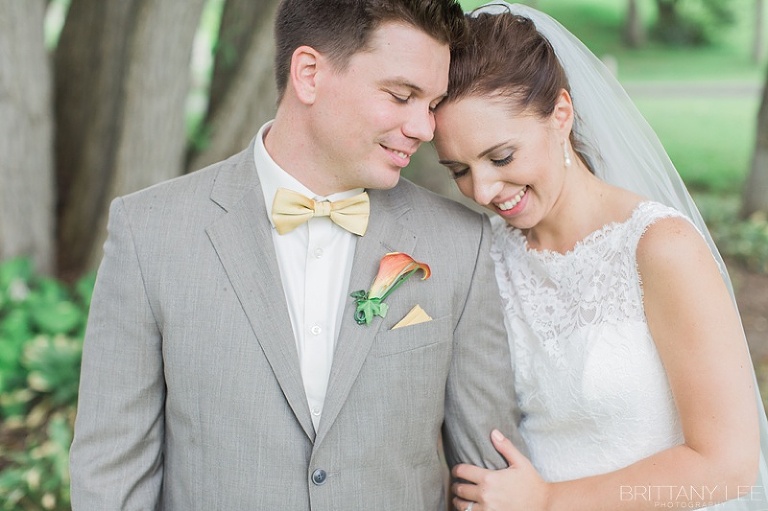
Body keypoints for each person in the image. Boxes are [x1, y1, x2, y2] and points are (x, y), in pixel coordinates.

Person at [68, 1, 525, 509]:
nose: (423, 127)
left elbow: (489, 481)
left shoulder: (459, 242)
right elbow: (110, 476)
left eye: (432, 103)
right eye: (402, 95)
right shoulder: (150, 233)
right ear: (309, 74)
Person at [432, 3, 768, 510]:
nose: (482, 190)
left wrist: (549, 501)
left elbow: (729, 467)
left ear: (560, 114)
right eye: (458, 169)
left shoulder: (659, 248)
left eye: (501, 157)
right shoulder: (487, 257)